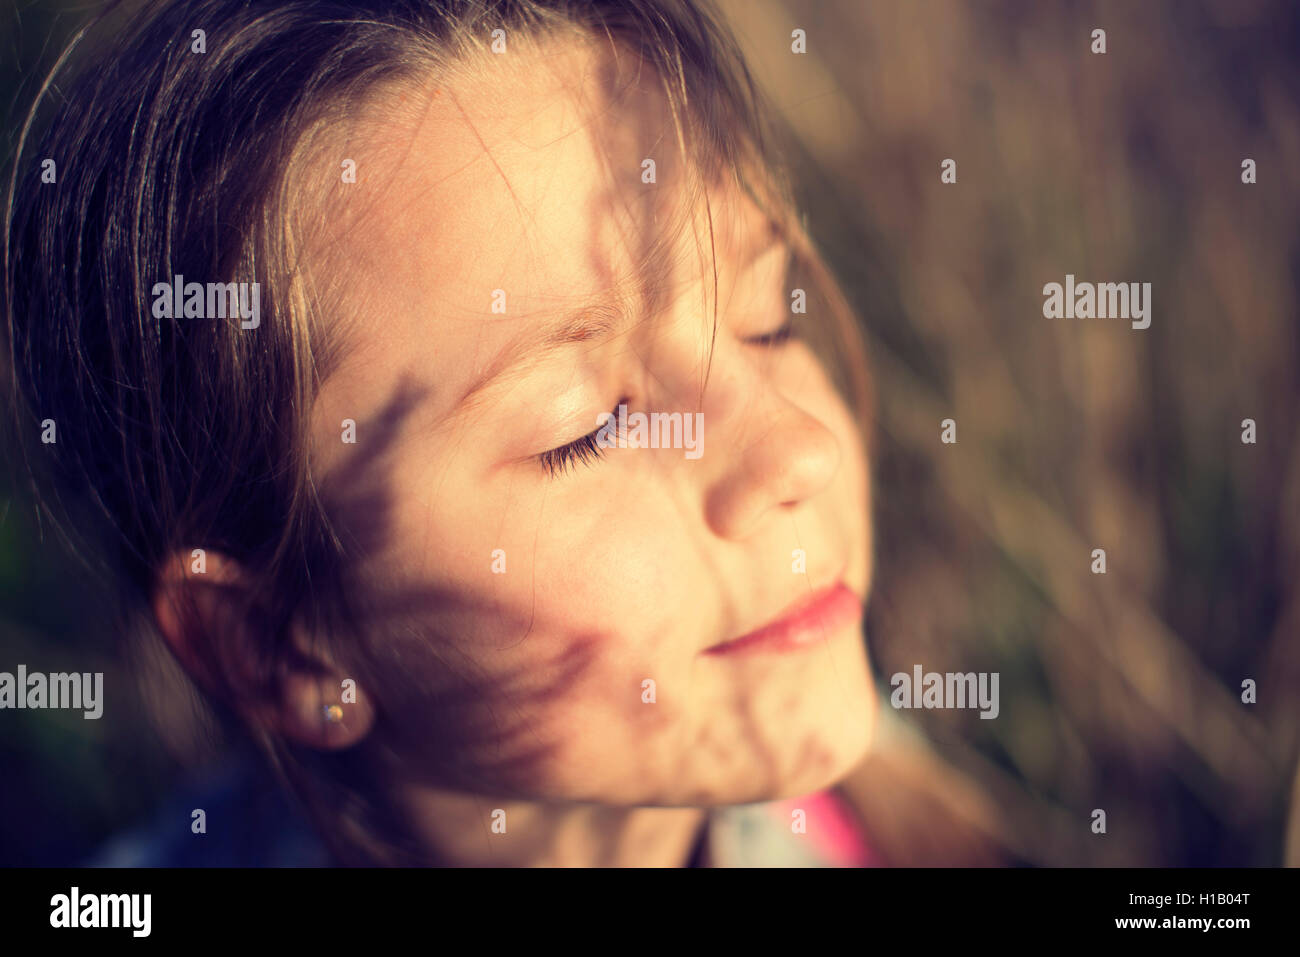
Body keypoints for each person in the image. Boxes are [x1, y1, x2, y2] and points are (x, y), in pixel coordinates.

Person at [5, 0, 941, 867]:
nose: (798, 447)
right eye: (589, 428)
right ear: (275, 645)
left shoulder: (873, 811)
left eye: (769, 318)